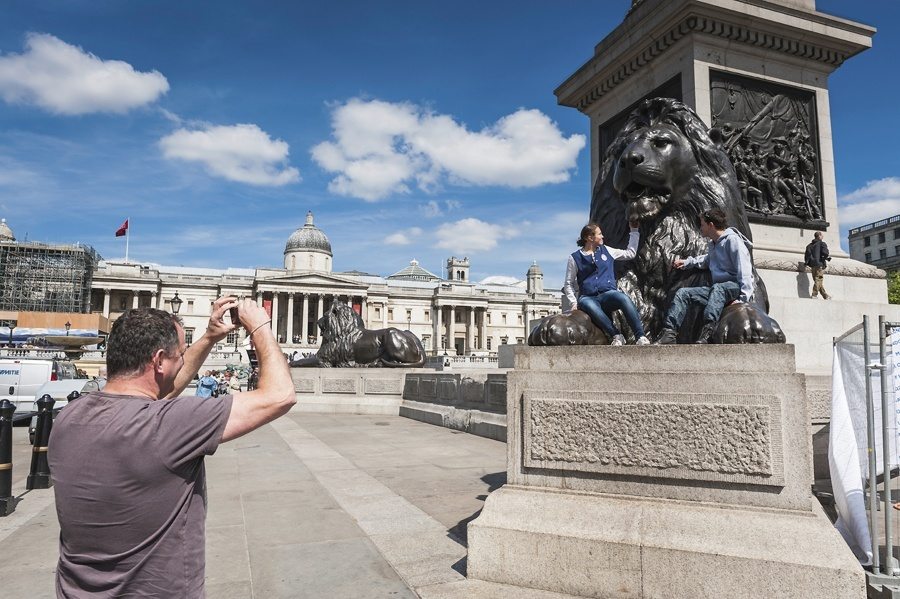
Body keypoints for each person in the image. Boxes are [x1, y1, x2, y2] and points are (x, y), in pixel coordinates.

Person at [49, 296, 295, 597]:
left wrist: (208, 338)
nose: (183, 359)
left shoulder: (68, 418)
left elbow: (161, 388)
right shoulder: (168, 425)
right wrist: (260, 326)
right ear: (159, 360)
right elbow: (280, 394)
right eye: (181, 353)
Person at [657, 208, 754, 344]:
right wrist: (686, 262)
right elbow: (707, 260)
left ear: (711, 225)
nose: (700, 228)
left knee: (718, 289)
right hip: (717, 291)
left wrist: (743, 299)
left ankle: (708, 331)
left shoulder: (733, 241)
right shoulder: (713, 244)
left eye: (702, 224)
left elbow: (744, 271)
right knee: (683, 293)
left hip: (733, 288)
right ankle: (669, 333)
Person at [563, 222, 650, 346]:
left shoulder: (607, 250)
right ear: (590, 238)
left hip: (608, 293)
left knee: (623, 298)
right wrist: (573, 302)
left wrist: (634, 231)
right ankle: (616, 335)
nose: (603, 236)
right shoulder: (574, 258)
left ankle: (640, 336)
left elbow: (630, 253)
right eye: (600, 234)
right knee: (586, 303)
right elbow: (568, 283)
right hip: (589, 297)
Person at [805, 231, 831, 300]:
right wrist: (824, 258)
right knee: (819, 279)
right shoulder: (822, 244)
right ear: (819, 236)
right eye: (822, 235)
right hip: (819, 264)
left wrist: (807, 263)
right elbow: (825, 253)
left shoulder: (809, 245)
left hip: (812, 265)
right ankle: (814, 294)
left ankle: (825, 296)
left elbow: (807, 255)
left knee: (817, 280)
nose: (823, 237)